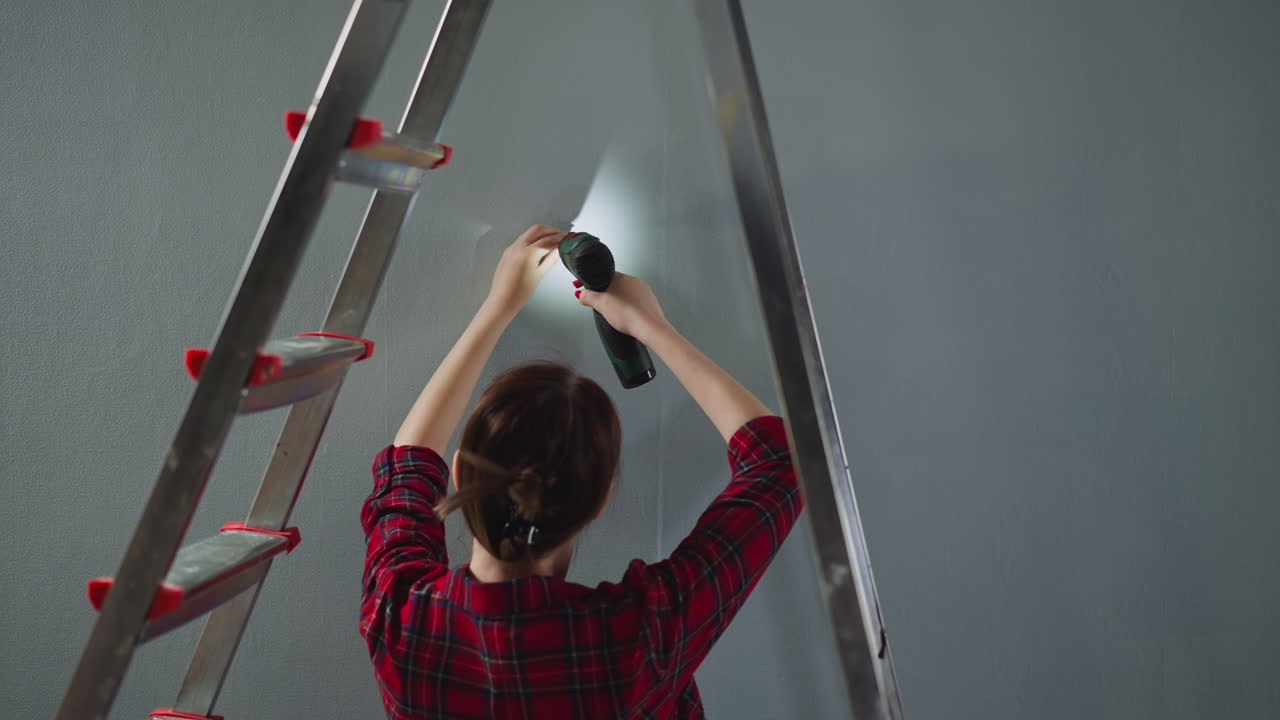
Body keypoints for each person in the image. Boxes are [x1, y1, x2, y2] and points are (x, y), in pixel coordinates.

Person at [361, 224, 804, 718]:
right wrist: (650, 325)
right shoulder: (638, 641)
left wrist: (498, 307)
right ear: (599, 500)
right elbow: (780, 463)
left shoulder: (401, 619)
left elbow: (407, 468)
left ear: (460, 472)